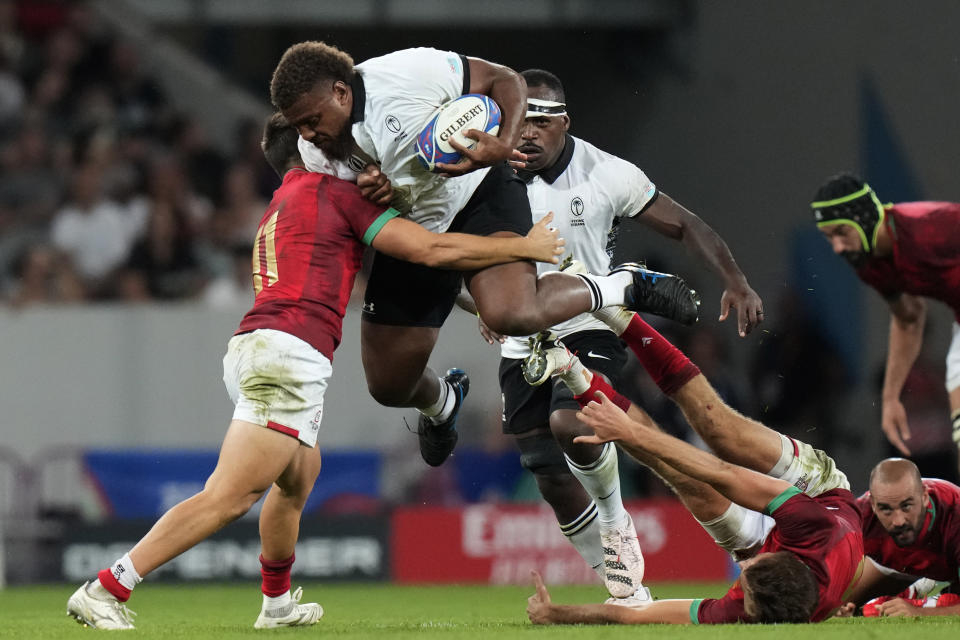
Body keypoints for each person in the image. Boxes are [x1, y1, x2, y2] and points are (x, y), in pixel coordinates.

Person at [64, 112, 567, 630]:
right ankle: (109, 586)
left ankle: (277, 604)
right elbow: (428, 249)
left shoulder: (286, 201)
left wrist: (477, 303)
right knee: (230, 495)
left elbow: (416, 269)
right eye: (337, 141)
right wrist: (522, 247)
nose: (351, 149)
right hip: (288, 355)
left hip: (258, 347)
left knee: (298, 477)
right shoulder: (334, 194)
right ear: (313, 149)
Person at [269, 42, 700, 469]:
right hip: (417, 227)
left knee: (510, 314)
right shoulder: (315, 155)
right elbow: (368, 218)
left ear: (342, 93)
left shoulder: (404, 74)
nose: (306, 134)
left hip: (478, 196)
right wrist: (381, 194)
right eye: (297, 125)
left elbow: (503, 79)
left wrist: (503, 144)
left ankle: (624, 284)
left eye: (312, 119)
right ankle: (442, 405)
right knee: (388, 385)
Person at [469, 69, 762, 601]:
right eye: (521, 120)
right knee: (546, 473)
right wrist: (488, 305)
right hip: (523, 337)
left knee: (572, 421)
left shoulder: (606, 173)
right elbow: (457, 262)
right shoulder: (484, 176)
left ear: (566, 124)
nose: (528, 133)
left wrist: (735, 282)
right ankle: (626, 591)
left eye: (542, 121)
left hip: (589, 324)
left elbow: (685, 224)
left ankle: (614, 520)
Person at [524, 309, 863, 624]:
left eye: (741, 578)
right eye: (746, 571)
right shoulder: (813, 527)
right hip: (821, 491)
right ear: (779, 557)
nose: (740, 571)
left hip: (790, 557)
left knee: (685, 481)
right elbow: (723, 472)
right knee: (723, 434)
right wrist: (633, 434)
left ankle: (571, 369)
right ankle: (620, 316)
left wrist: (558, 613)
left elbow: (640, 614)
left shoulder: (753, 608)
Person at [813, 174, 960, 470]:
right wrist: (891, 398)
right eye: (829, 238)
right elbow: (908, 318)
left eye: (842, 232)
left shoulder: (929, 227)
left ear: (864, 217)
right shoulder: (871, 265)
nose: (838, 248)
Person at [837, 458, 960, 617]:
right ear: (873, 504)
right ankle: (915, 589)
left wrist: (919, 612)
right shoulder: (861, 516)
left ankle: (923, 590)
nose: (898, 521)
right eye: (886, 509)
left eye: (907, 506)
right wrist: (833, 607)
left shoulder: (955, 515)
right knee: (836, 600)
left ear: (924, 496)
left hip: (949, 564)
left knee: (950, 602)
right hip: (899, 559)